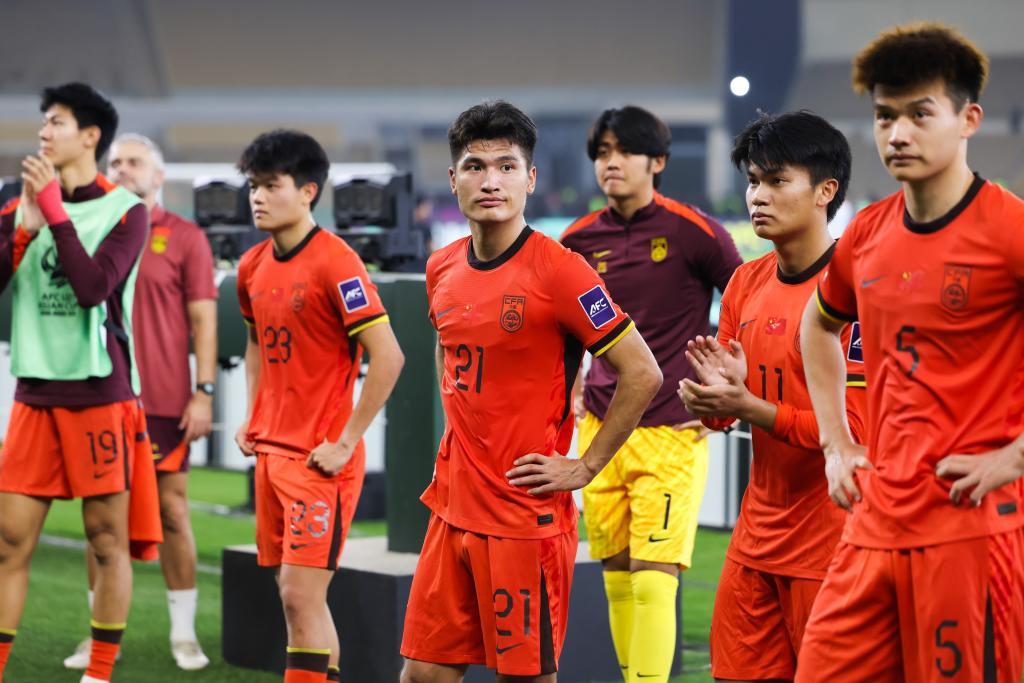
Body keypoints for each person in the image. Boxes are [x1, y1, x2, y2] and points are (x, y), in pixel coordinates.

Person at [399, 101, 662, 683]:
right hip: (451, 512)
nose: (490, 181)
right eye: (475, 166)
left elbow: (642, 372)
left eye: (506, 166)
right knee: (422, 675)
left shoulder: (562, 271)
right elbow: (449, 346)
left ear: (530, 178)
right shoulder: (441, 267)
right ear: (454, 179)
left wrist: (585, 466)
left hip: (523, 522)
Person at [798, 22, 1024, 682]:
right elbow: (817, 327)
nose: (897, 133)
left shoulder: (1008, 229)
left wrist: (1013, 459)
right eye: (884, 116)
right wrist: (836, 444)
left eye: (919, 114)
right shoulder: (866, 233)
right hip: (873, 522)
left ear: (968, 120)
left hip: (970, 531)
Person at [677, 111, 865, 682]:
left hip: (834, 543)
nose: (758, 195)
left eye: (778, 180)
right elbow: (726, 415)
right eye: (754, 180)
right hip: (756, 538)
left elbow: (854, 435)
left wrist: (747, 406)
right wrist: (714, 399)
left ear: (825, 191)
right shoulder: (746, 281)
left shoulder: (857, 292)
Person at [559, 105, 741, 682]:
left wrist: (725, 395)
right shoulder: (576, 240)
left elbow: (748, 301)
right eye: (602, 153)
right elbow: (563, 331)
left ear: (657, 161)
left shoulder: (694, 231)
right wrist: (572, 389)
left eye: (624, 152)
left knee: (654, 576)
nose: (610, 163)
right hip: (601, 428)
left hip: (671, 429)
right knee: (615, 572)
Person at [0, 82, 160, 683]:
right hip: (34, 394)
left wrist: (54, 212)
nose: (44, 132)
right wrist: (22, 228)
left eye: (57, 122)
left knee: (105, 540)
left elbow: (93, 289)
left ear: (90, 136)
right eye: (43, 121)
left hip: (100, 396)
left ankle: (98, 673)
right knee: (8, 543)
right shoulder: (17, 205)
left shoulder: (128, 212)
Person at [234, 129, 405, 683]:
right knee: (297, 600)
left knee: (298, 595)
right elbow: (256, 342)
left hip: (319, 461)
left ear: (308, 191)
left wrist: (346, 442)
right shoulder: (251, 266)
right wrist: (252, 413)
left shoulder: (337, 262)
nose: (257, 197)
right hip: (270, 456)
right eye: (253, 186)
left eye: (271, 185)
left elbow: (389, 356)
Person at [61, 133, 219, 671]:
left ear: (158, 176)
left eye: (134, 162)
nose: (122, 169)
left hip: (164, 401)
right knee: (100, 519)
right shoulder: (91, 229)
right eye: (115, 162)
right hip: (101, 395)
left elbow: (203, 320)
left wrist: (204, 392)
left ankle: (184, 635)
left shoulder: (185, 237)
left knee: (172, 513)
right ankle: (97, 638)